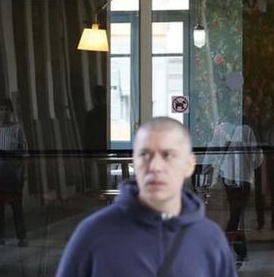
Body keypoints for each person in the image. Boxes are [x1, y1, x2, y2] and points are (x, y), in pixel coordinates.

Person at [56, 117, 237, 277]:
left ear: (190, 164)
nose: (155, 166)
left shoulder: (210, 240)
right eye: (145, 155)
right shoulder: (94, 233)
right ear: (134, 161)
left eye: (168, 155)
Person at [208, 106, 264, 262]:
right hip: (244, 177)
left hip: (227, 176)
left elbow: (212, 150)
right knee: (236, 215)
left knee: (236, 214)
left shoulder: (221, 129)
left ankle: (241, 251)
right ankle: (224, 248)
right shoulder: (247, 130)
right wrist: (250, 166)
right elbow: (257, 157)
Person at [0, 98, 29, 247]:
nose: (4, 112)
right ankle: (0, 237)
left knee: (16, 204)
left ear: (11, 111)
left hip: (12, 171)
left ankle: (22, 237)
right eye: (1, 109)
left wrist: (23, 173)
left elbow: (25, 153)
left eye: (6, 109)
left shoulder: (17, 128)